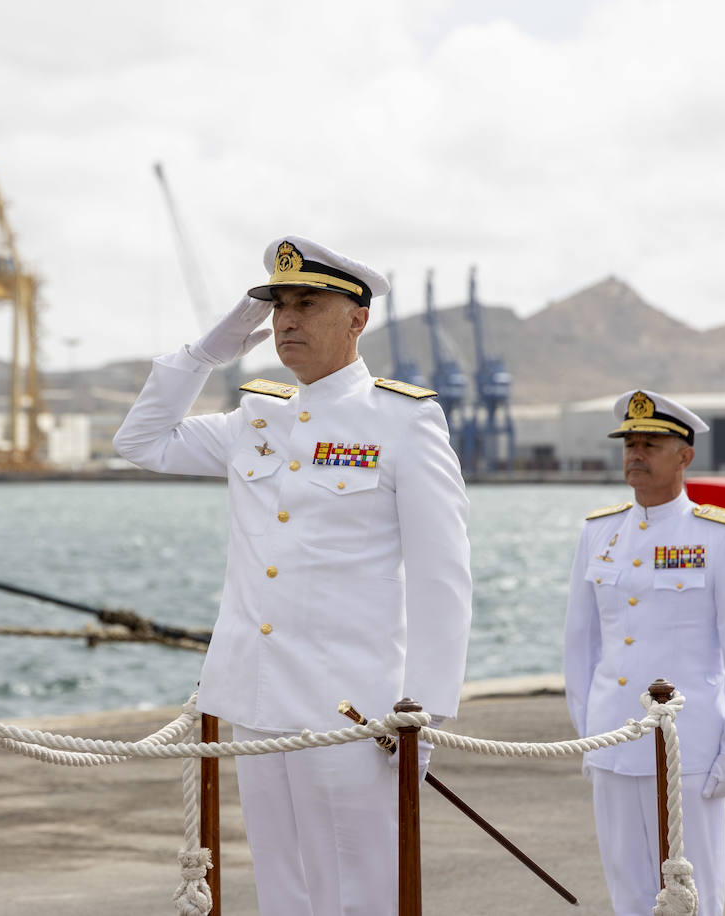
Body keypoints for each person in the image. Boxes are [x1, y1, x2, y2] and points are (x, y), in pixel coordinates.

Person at [113, 236, 473, 916]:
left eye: (307, 304)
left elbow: (441, 579)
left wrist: (423, 710)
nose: (286, 321)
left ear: (357, 318)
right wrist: (205, 354)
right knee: (282, 890)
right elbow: (140, 442)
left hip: (351, 707)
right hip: (255, 697)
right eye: (277, 306)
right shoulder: (257, 417)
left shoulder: (403, 422)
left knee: (359, 892)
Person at [562, 389, 725, 916]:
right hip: (613, 737)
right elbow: (581, 643)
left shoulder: (721, 535)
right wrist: (588, 733)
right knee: (627, 888)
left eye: (651, 443)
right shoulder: (599, 533)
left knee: (692, 891)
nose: (636, 453)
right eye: (630, 443)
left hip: (690, 747)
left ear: (685, 454)